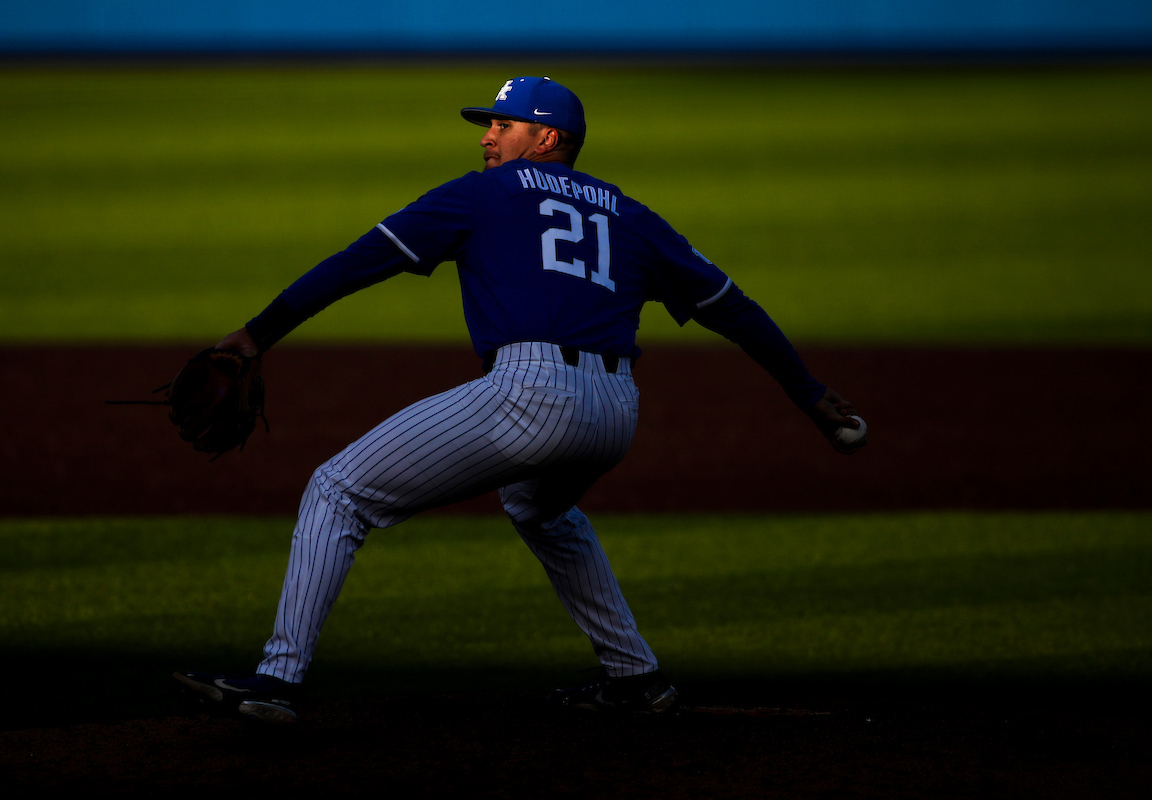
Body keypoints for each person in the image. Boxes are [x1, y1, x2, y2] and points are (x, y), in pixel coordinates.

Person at [174, 76, 861, 724]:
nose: (487, 138)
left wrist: (259, 333)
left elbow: (362, 260)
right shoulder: (631, 213)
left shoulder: (483, 195)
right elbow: (731, 308)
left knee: (337, 490)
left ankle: (278, 679)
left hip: (533, 393)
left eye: (504, 124)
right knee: (539, 507)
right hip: (617, 408)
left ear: (548, 138)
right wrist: (809, 395)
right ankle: (635, 677)